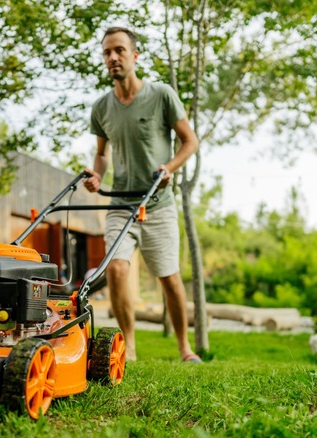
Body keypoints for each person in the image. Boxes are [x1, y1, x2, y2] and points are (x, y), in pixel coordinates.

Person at [83, 27, 200, 363]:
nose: (112, 57)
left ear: (135, 55)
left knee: (169, 278)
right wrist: (97, 174)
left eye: (119, 50)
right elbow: (102, 154)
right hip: (121, 203)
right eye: (107, 52)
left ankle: (185, 348)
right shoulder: (102, 107)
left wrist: (169, 168)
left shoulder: (161, 94)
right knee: (117, 269)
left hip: (158, 205)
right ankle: (128, 348)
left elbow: (189, 140)